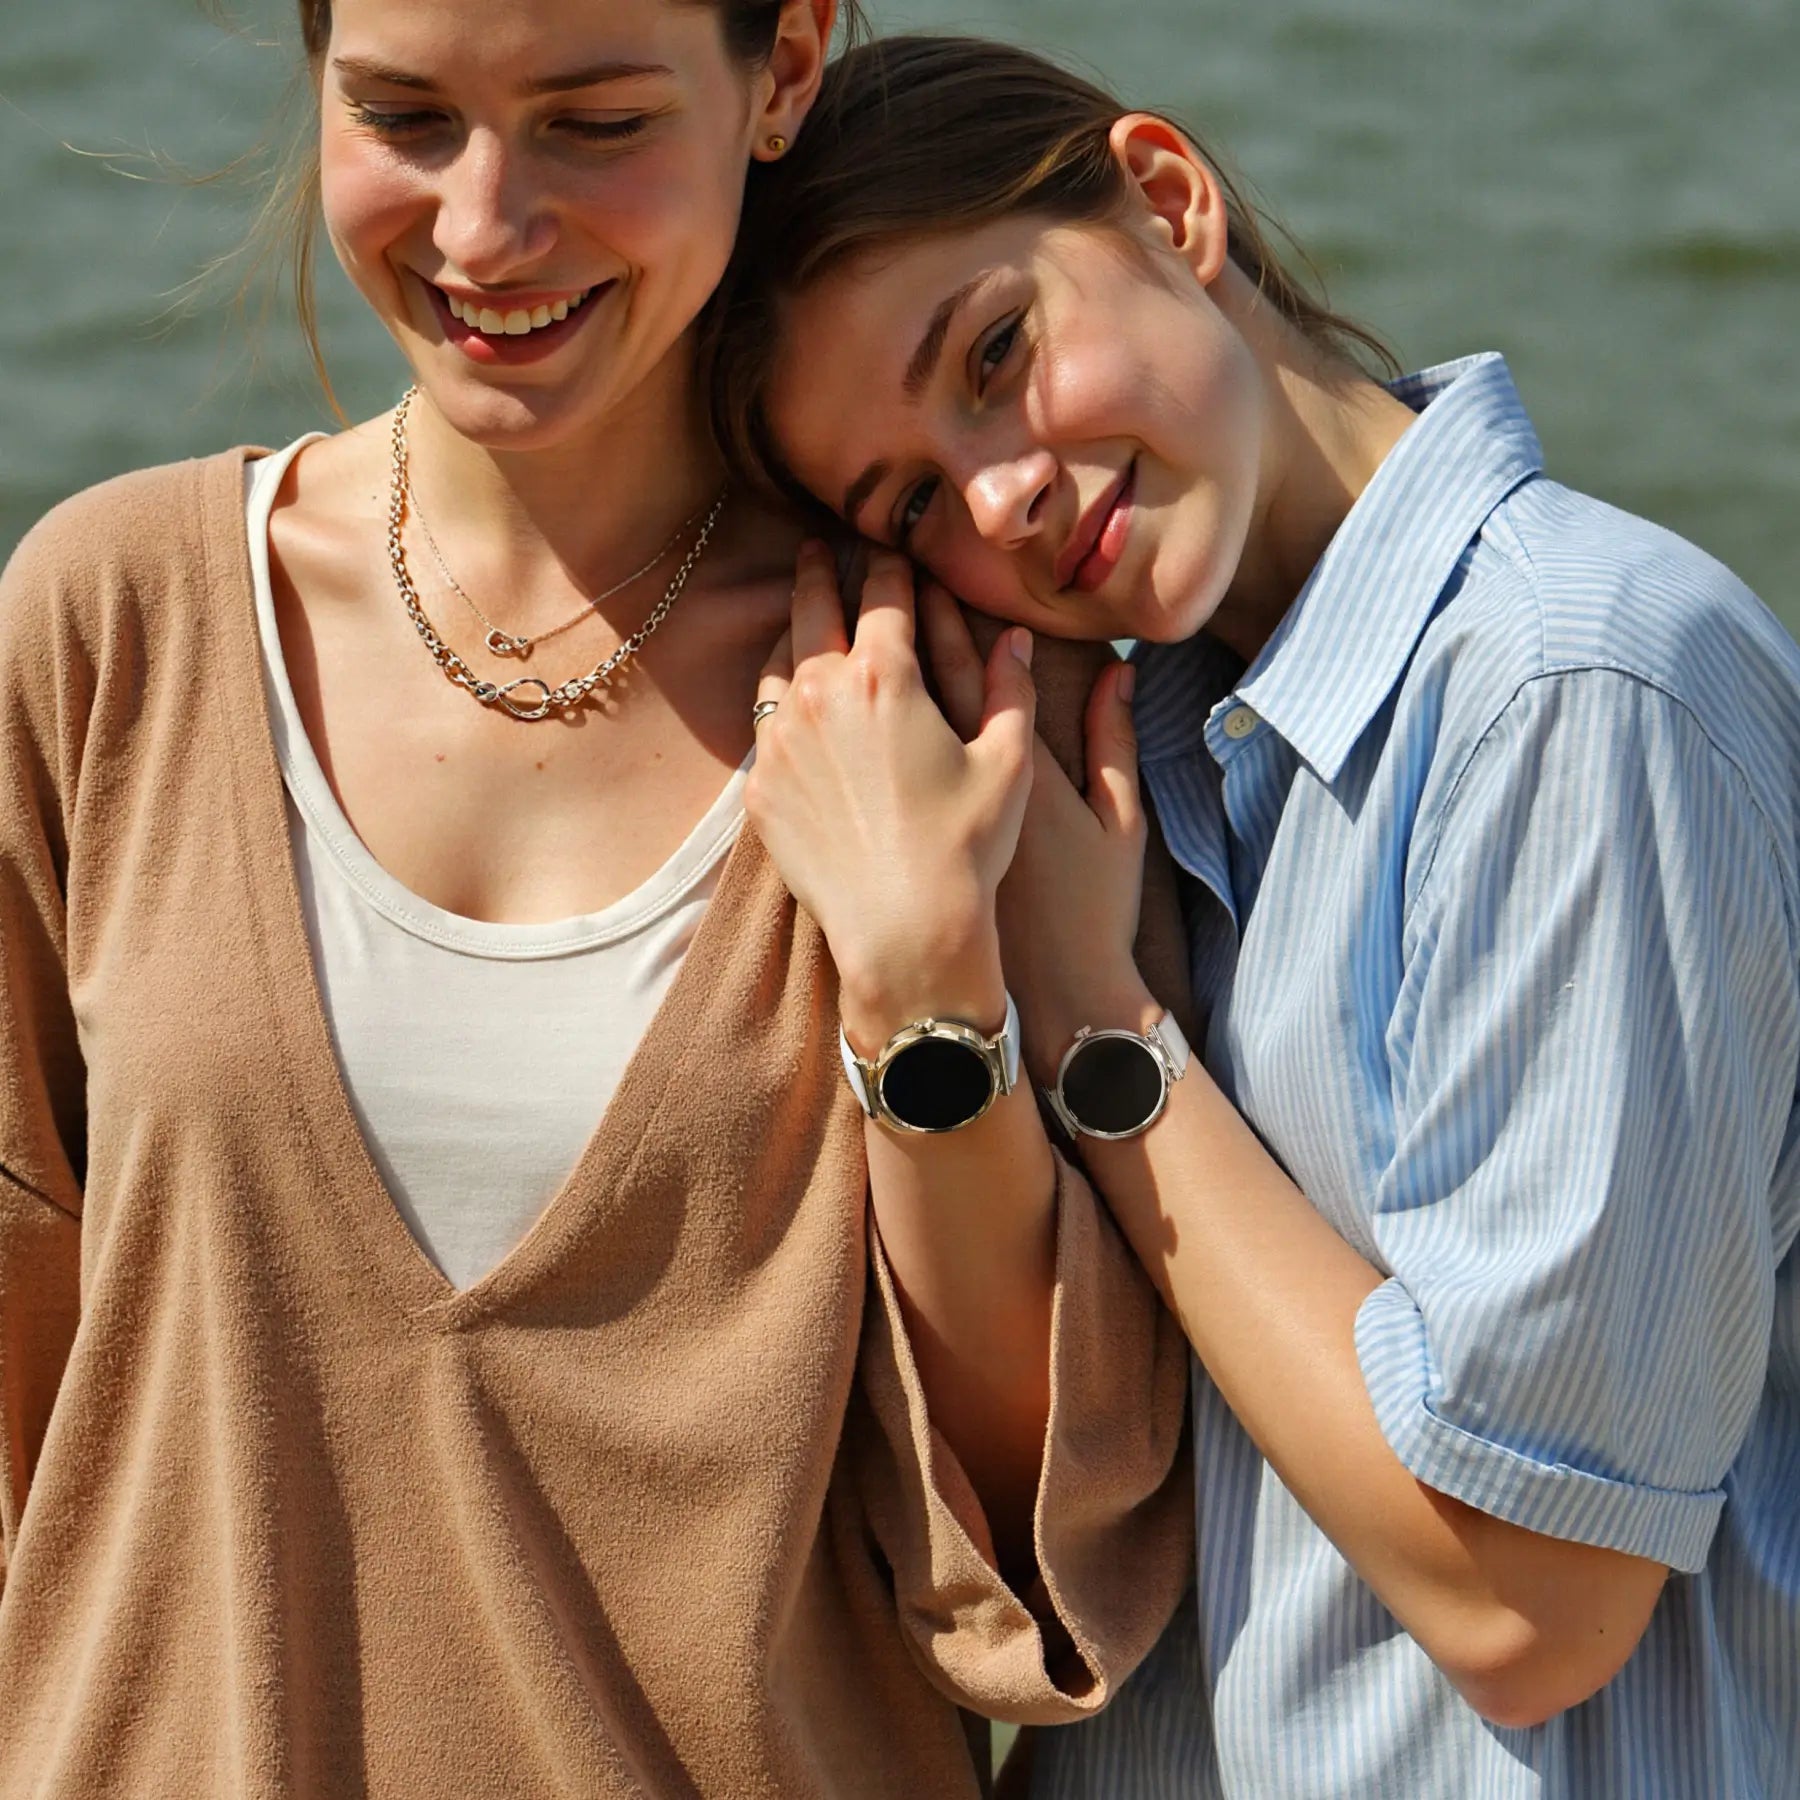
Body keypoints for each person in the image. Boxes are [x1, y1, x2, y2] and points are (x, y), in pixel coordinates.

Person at [0, 7, 1196, 1794]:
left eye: (594, 122)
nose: (484, 230)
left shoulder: (950, 701)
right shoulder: (111, 627)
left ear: (785, 68)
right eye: (405, 116)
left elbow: (1042, 1557)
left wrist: (925, 985)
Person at [707, 33, 1800, 1799]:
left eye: (996, 353)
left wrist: (1099, 1021)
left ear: (1167, 200)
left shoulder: (1578, 692)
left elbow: (1530, 1595)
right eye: (910, 502)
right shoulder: (1113, 777)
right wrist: (928, 964)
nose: (1000, 494)